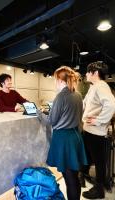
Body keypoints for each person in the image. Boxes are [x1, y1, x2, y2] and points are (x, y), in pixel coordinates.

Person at [37, 66, 87, 200]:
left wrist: (39, 112)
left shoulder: (61, 96)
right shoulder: (78, 95)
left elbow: (51, 120)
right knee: (73, 177)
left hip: (64, 140)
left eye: (55, 79)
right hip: (75, 136)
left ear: (60, 80)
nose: (54, 82)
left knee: (69, 179)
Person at [81, 61, 115, 199]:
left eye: (87, 72)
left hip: (96, 132)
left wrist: (99, 120)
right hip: (89, 130)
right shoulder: (93, 87)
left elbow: (112, 105)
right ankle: (84, 175)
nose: (85, 74)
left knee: (99, 161)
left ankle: (99, 189)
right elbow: (86, 103)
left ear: (95, 73)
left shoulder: (101, 86)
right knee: (89, 156)